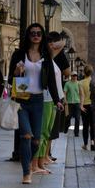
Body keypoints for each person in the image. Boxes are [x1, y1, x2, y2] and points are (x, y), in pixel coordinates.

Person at [8, 24, 53, 184]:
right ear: (28, 35)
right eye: (32, 33)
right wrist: (16, 74)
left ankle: (26, 160)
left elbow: (52, 81)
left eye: (39, 33)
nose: (35, 36)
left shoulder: (46, 56)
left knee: (36, 141)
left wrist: (58, 100)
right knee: (26, 136)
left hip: (38, 101)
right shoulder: (20, 54)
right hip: (22, 100)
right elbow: (10, 80)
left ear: (42, 36)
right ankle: (26, 173)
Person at [37, 32, 66, 171]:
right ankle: (37, 162)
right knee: (43, 132)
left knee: (47, 132)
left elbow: (63, 43)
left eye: (51, 43)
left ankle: (42, 160)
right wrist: (47, 44)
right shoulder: (42, 58)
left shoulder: (51, 58)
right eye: (48, 43)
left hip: (53, 99)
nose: (52, 46)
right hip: (44, 98)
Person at [79, 67, 93, 150]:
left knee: (85, 125)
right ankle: (93, 143)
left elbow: (82, 96)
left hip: (85, 106)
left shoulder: (80, 83)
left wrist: (81, 106)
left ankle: (85, 144)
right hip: (94, 105)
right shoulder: (94, 81)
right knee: (93, 125)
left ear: (84, 72)